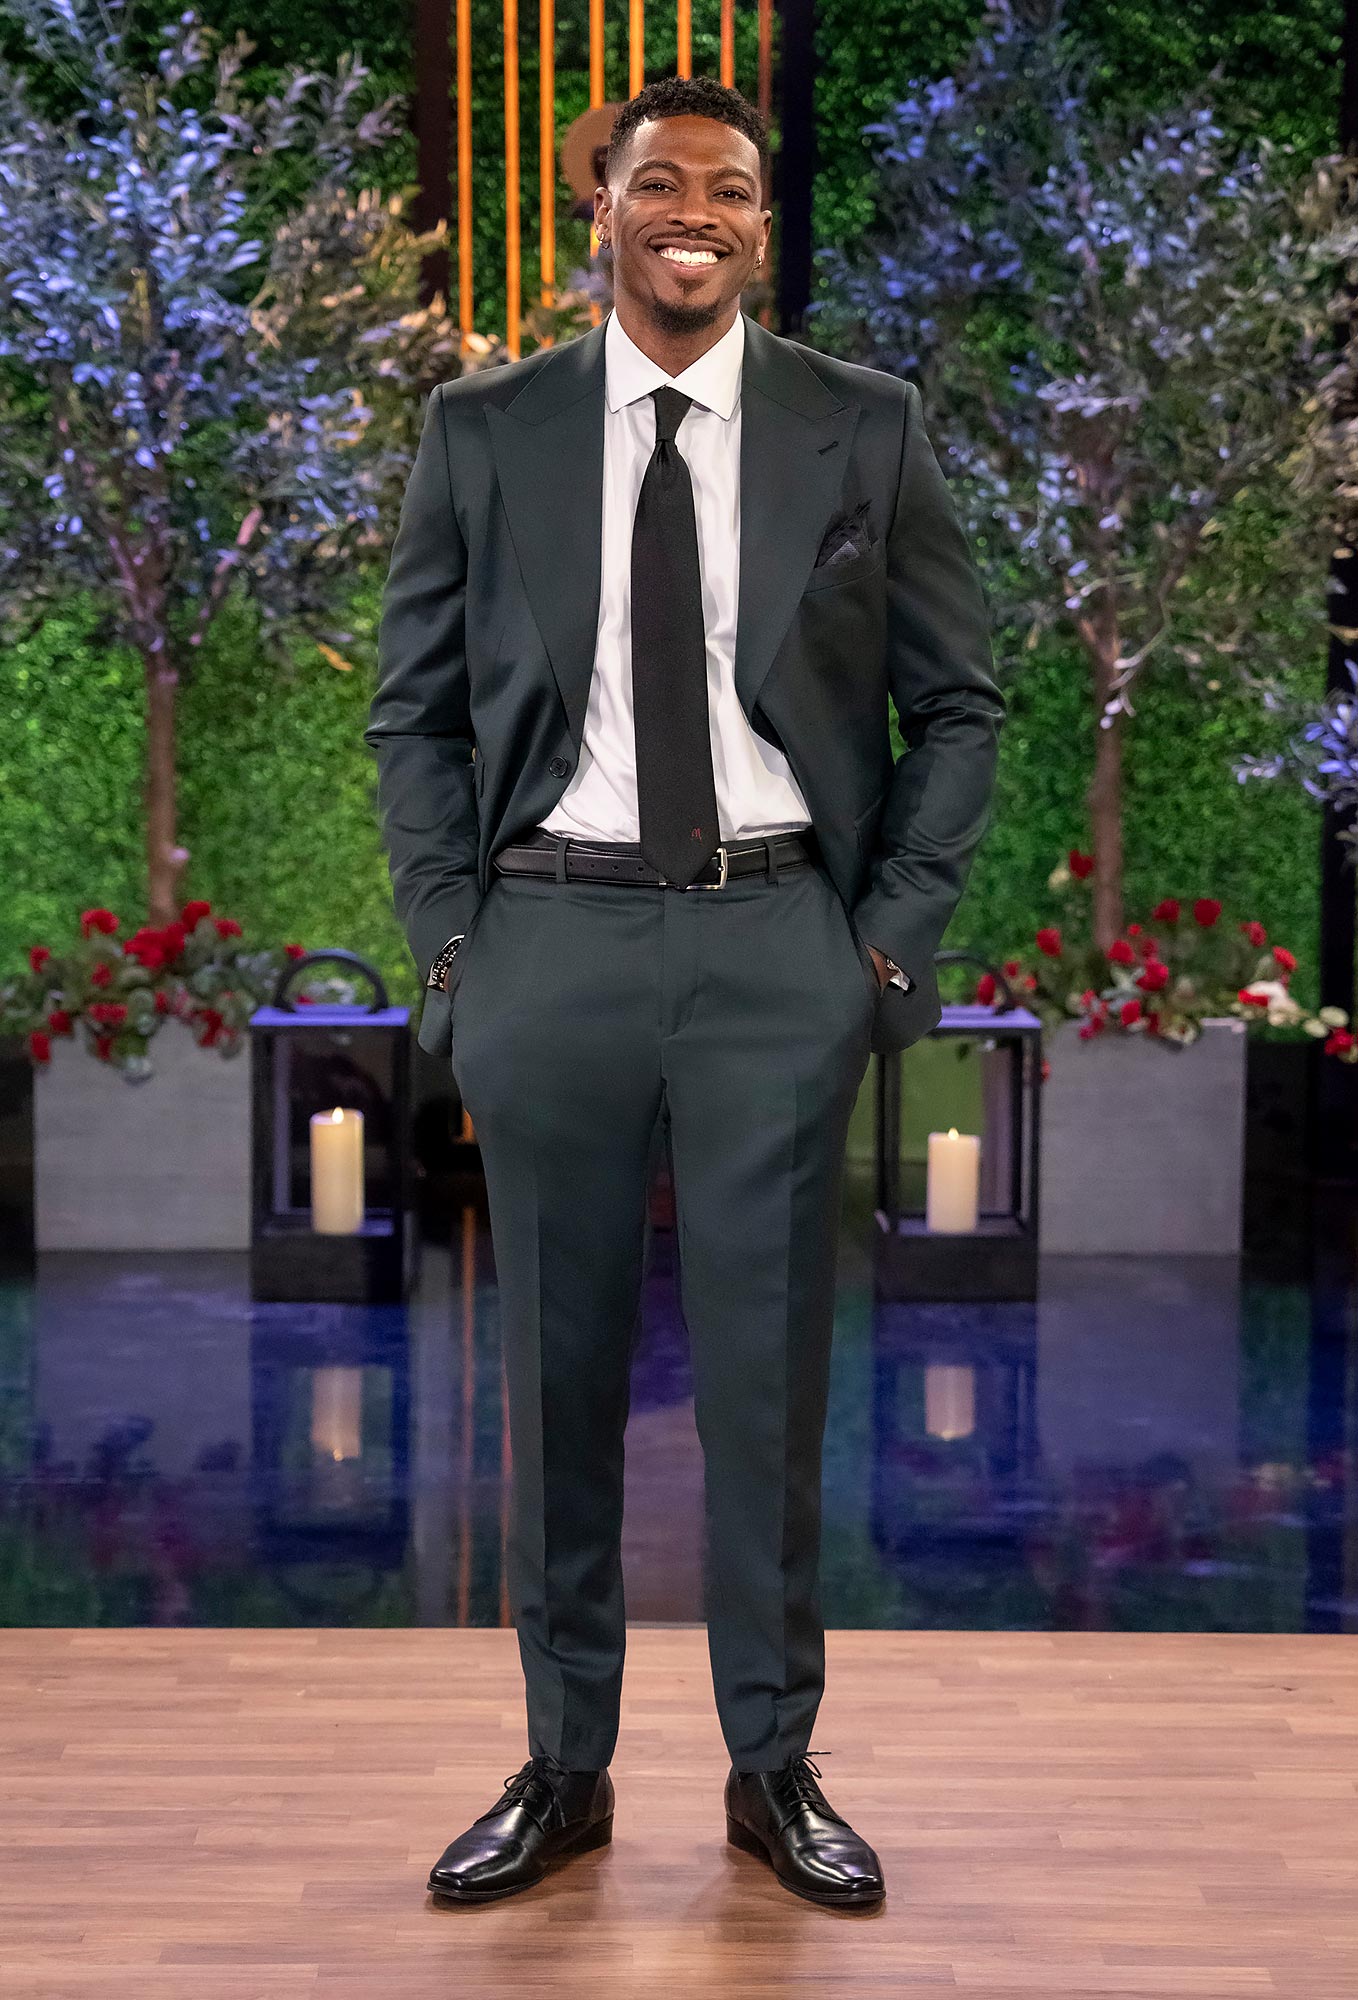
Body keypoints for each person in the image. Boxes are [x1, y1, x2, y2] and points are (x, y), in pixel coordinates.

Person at [364, 73, 1004, 1911]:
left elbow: (959, 703)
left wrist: (877, 946)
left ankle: (771, 1769)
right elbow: (411, 712)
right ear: (605, 208)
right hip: (549, 942)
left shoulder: (861, 425)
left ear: (758, 224)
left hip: (775, 944)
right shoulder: (483, 429)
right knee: (553, 1378)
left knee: (766, 1384)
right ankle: (563, 1770)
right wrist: (453, 945)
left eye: (727, 185)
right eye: (660, 182)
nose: (693, 211)